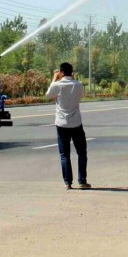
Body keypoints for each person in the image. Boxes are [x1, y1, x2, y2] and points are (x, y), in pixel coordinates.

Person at [46, 62, 90, 190]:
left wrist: (55, 78)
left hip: (61, 124)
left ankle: (68, 183)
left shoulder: (57, 85)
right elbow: (82, 95)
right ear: (72, 72)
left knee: (64, 154)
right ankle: (82, 181)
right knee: (81, 152)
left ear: (61, 72)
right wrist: (72, 78)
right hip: (76, 123)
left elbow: (48, 95)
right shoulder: (78, 85)